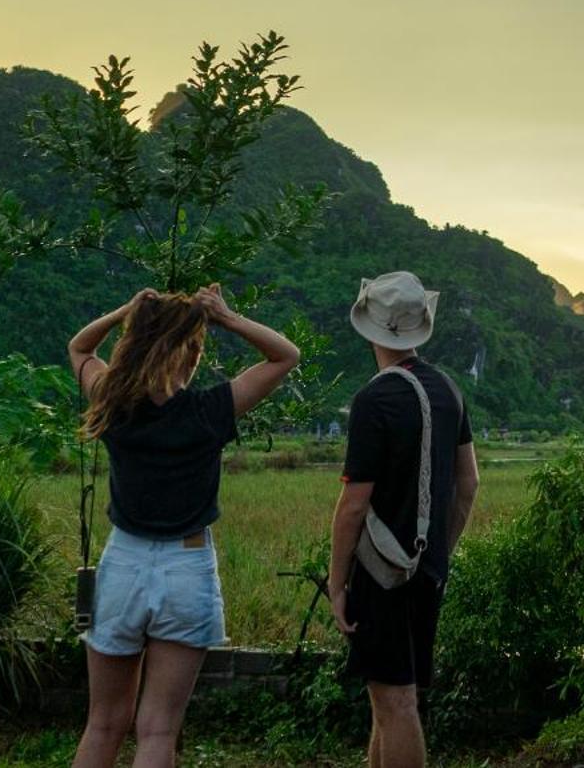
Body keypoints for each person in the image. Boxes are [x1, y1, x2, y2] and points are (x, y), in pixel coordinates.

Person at [67, 284, 299, 768]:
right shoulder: (208, 411)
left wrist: (125, 310)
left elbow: (80, 347)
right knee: (157, 730)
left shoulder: (112, 401)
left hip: (124, 562)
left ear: (135, 343)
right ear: (188, 352)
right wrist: (227, 316)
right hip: (187, 565)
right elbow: (284, 356)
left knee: (104, 723)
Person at [328, 271, 480, 768]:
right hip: (426, 570)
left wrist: (336, 583)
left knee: (396, 703)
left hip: (382, 573)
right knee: (387, 700)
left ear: (372, 329)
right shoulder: (449, 390)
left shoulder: (374, 399)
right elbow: (469, 482)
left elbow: (353, 504)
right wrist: (440, 553)